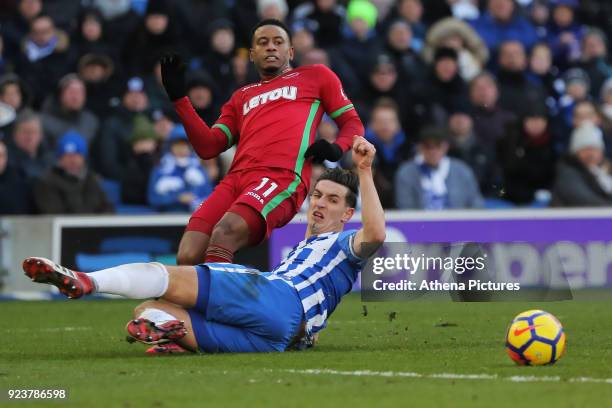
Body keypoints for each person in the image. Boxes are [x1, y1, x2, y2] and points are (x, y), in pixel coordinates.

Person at [22, 137, 385, 354]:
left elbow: (376, 234)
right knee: (147, 308)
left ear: (348, 213)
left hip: (278, 298)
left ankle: (87, 282)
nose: (320, 203)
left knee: (168, 277)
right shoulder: (309, 255)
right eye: (318, 195)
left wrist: (364, 172)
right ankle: (169, 334)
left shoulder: (343, 245)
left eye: (332, 200)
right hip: (279, 339)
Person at [160, 19, 363, 265]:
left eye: (278, 42)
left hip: (280, 176)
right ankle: (210, 301)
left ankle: (222, 303)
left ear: (290, 52)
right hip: (234, 180)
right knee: (188, 254)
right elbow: (208, 147)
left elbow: (353, 123)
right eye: (263, 43)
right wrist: (180, 99)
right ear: (252, 55)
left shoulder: (316, 75)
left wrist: (334, 148)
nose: (270, 47)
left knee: (224, 233)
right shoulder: (241, 96)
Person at [395, 126, 483, 209]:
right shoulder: (406, 172)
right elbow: (405, 207)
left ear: (446, 146)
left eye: (438, 145)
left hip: (458, 223)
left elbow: (476, 202)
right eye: (428, 146)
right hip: (422, 223)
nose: (433, 151)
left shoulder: (462, 170)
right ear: (420, 147)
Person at [33, 131, 114, 214]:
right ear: (60, 158)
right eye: (68, 155)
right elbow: (53, 213)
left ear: (83, 157)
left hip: (92, 226)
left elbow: (107, 209)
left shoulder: (92, 180)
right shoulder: (47, 182)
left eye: (77, 155)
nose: (73, 160)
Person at [551, 122, 612, 206]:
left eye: (594, 148)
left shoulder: (605, 171)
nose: (591, 154)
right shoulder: (568, 172)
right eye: (585, 149)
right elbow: (582, 198)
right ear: (575, 153)